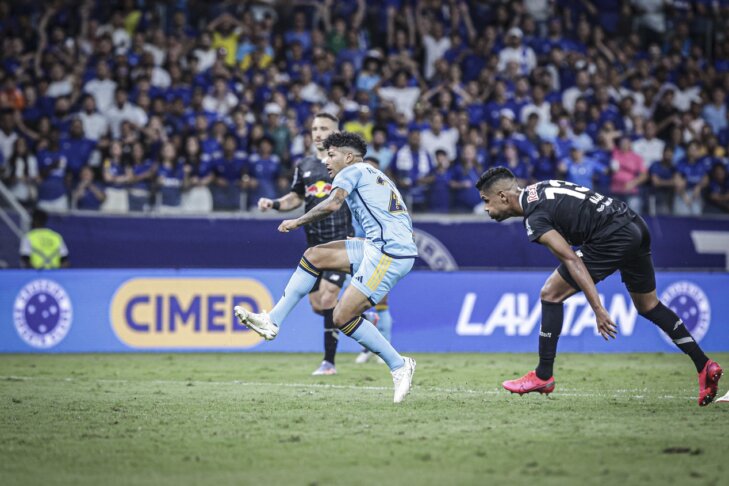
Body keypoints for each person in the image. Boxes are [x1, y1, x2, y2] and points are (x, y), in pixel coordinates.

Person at [476, 167, 722, 407]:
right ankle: (704, 365)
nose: (486, 208)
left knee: (550, 293)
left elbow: (571, 259)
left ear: (503, 197)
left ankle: (543, 375)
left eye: (486, 201)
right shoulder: (538, 190)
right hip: (633, 223)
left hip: (613, 235)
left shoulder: (535, 216)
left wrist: (598, 308)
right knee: (648, 305)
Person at [235, 132, 417, 403]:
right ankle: (272, 320)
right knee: (315, 255)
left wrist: (298, 221)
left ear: (349, 157)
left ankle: (399, 365)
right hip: (378, 246)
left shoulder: (350, 171)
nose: (326, 160)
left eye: (331, 155)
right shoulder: (374, 173)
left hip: (388, 253)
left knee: (341, 317)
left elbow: (333, 204)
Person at [256, 113, 353, 376]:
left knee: (328, 296)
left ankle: (329, 363)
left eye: (324, 128)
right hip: (314, 248)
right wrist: (275, 204)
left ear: (337, 132)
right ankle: (362, 317)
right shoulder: (306, 165)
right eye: (314, 129)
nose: (318, 133)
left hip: (341, 244)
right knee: (318, 305)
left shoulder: (346, 165)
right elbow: (295, 198)